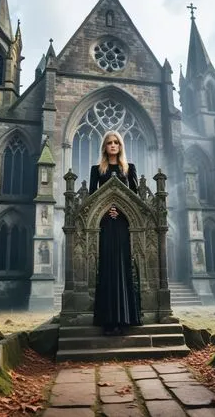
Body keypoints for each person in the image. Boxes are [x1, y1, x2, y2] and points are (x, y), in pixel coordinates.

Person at [89, 130, 142, 335]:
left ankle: (124, 319)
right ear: (104, 147)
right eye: (109, 143)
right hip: (105, 225)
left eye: (116, 142)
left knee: (122, 268)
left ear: (120, 146)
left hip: (122, 224)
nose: (113, 145)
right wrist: (105, 210)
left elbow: (135, 198)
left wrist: (120, 209)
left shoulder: (129, 169)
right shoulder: (97, 170)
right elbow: (92, 199)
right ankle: (108, 321)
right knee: (107, 269)